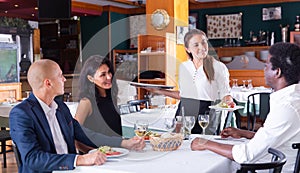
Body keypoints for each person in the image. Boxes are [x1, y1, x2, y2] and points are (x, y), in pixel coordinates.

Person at [191, 42, 300, 172]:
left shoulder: (287, 107)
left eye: (266, 66)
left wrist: (205, 143)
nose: (263, 70)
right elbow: (275, 136)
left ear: (277, 72)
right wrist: (244, 133)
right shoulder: (292, 99)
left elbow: (245, 155)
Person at [9, 59, 107, 173]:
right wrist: (79, 159)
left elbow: (86, 135)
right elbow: (33, 159)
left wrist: (123, 143)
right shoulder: (21, 114)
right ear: (48, 83)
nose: (64, 79)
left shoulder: (61, 107)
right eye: (60, 75)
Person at [145, 29, 235, 134]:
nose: (201, 47)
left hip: (206, 115)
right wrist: (157, 90)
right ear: (187, 49)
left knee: (204, 147)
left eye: (203, 42)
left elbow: (225, 94)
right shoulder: (184, 67)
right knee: (181, 145)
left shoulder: (218, 67)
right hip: (184, 112)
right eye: (196, 45)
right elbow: (183, 95)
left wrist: (228, 101)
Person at [75, 55, 145, 148]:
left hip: (117, 154)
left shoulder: (111, 97)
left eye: (109, 72)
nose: (109, 77)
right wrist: (92, 153)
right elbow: (75, 135)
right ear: (90, 78)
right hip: (100, 157)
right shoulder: (86, 102)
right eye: (103, 75)